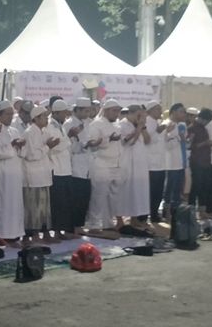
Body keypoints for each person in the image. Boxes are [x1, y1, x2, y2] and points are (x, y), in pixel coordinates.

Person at [0, 101, 25, 245]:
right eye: (7, 114)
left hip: (14, 175)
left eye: (11, 114)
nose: (10, 117)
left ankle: (12, 236)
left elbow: (19, 151)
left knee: (14, 207)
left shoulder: (14, 131)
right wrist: (13, 145)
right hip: (1, 175)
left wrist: (20, 145)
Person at [86, 99, 123, 232]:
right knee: (99, 195)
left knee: (112, 196)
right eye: (114, 111)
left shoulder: (118, 125)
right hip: (101, 163)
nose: (117, 113)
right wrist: (109, 139)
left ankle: (108, 223)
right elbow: (92, 143)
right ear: (106, 110)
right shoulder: (96, 124)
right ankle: (94, 224)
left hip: (116, 163)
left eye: (118, 111)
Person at [22, 105, 57, 243]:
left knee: (44, 208)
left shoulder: (44, 132)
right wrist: (48, 146)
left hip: (44, 175)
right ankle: (31, 235)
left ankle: (45, 233)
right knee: (32, 208)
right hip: (33, 176)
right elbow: (31, 155)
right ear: (36, 118)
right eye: (44, 117)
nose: (47, 119)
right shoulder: (29, 133)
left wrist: (50, 145)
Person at [115, 105, 150, 227]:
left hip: (140, 163)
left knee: (138, 190)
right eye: (138, 115)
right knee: (124, 191)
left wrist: (142, 127)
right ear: (131, 114)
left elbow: (147, 140)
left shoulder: (139, 125)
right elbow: (129, 142)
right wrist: (138, 128)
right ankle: (119, 220)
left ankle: (134, 218)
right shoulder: (122, 124)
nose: (139, 118)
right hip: (127, 162)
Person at [46, 99, 75, 238]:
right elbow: (55, 147)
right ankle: (56, 232)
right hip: (56, 169)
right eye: (63, 113)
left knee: (65, 202)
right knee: (57, 203)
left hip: (65, 169)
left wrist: (65, 141)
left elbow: (63, 144)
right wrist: (67, 140)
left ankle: (62, 231)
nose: (65, 115)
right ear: (56, 112)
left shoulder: (60, 126)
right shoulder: (50, 126)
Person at [64, 97, 92, 234]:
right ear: (78, 110)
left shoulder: (86, 123)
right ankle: (72, 227)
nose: (87, 114)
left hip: (86, 164)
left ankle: (79, 225)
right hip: (74, 165)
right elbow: (68, 145)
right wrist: (81, 144)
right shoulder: (69, 124)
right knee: (75, 198)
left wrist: (91, 144)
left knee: (84, 197)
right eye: (85, 111)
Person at [144, 100, 167, 223]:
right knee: (151, 191)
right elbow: (147, 140)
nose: (160, 111)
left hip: (161, 163)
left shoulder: (158, 122)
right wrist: (157, 132)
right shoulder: (147, 122)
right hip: (150, 164)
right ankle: (148, 214)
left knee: (158, 191)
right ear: (150, 111)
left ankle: (154, 214)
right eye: (157, 109)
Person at [163, 103, 188, 218]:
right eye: (181, 111)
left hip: (180, 162)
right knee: (169, 188)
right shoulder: (166, 125)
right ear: (173, 112)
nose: (184, 114)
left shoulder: (182, 125)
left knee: (178, 189)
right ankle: (166, 210)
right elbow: (165, 145)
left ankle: (176, 211)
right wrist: (178, 138)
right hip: (170, 163)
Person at [188, 108, 212, 215]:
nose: (207, 123)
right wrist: (204, 143)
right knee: (196, 186)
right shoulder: (192, 128)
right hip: (196, 161)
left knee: (205, 186)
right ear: (202, 118)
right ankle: (191, 209)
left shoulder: (204, 129)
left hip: (206, 161)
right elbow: (189, 145)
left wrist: (209, 143)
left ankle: (202, 209)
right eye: (206, 120)